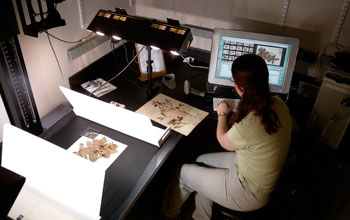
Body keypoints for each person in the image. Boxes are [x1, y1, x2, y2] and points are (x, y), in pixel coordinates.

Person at [162, 54, 292, 220]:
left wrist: (222, 114)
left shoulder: (251, 124)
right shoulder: (278, 104)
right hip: (255, 174)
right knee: (201, 160)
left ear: (239, 87)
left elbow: (223, 140)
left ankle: (168, 215)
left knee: (183, 173)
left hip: (248, 192)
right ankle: (201, 216)